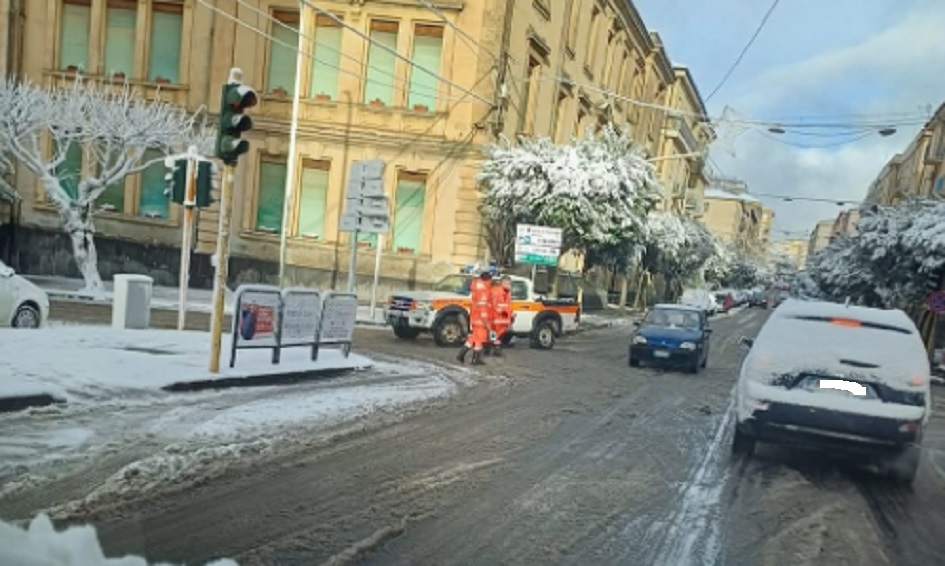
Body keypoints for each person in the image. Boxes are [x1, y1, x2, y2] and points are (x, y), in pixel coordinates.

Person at [457, 271, 493, 365]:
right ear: (487, 280)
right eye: (490, 281)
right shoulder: (484, 291)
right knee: (480, 338)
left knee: (475, 338)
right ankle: (475, 359)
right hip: (481, 319)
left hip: (475, 317)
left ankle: (462, 355)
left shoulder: (477, 288)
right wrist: (487, 323)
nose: (491, 283)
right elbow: (483, 307)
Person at [488, 275, 513, 356]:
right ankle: (494, 347)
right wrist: (501, 311)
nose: (510, 286)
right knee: (495, 334)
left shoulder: (507, 292)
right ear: (503, 283)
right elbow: (495, 305)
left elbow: (508, 304)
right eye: (509, 284)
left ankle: (494, 347)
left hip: (502, 319)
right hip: (495, 317)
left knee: (499, 335)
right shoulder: (496, 291)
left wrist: (511, 313)